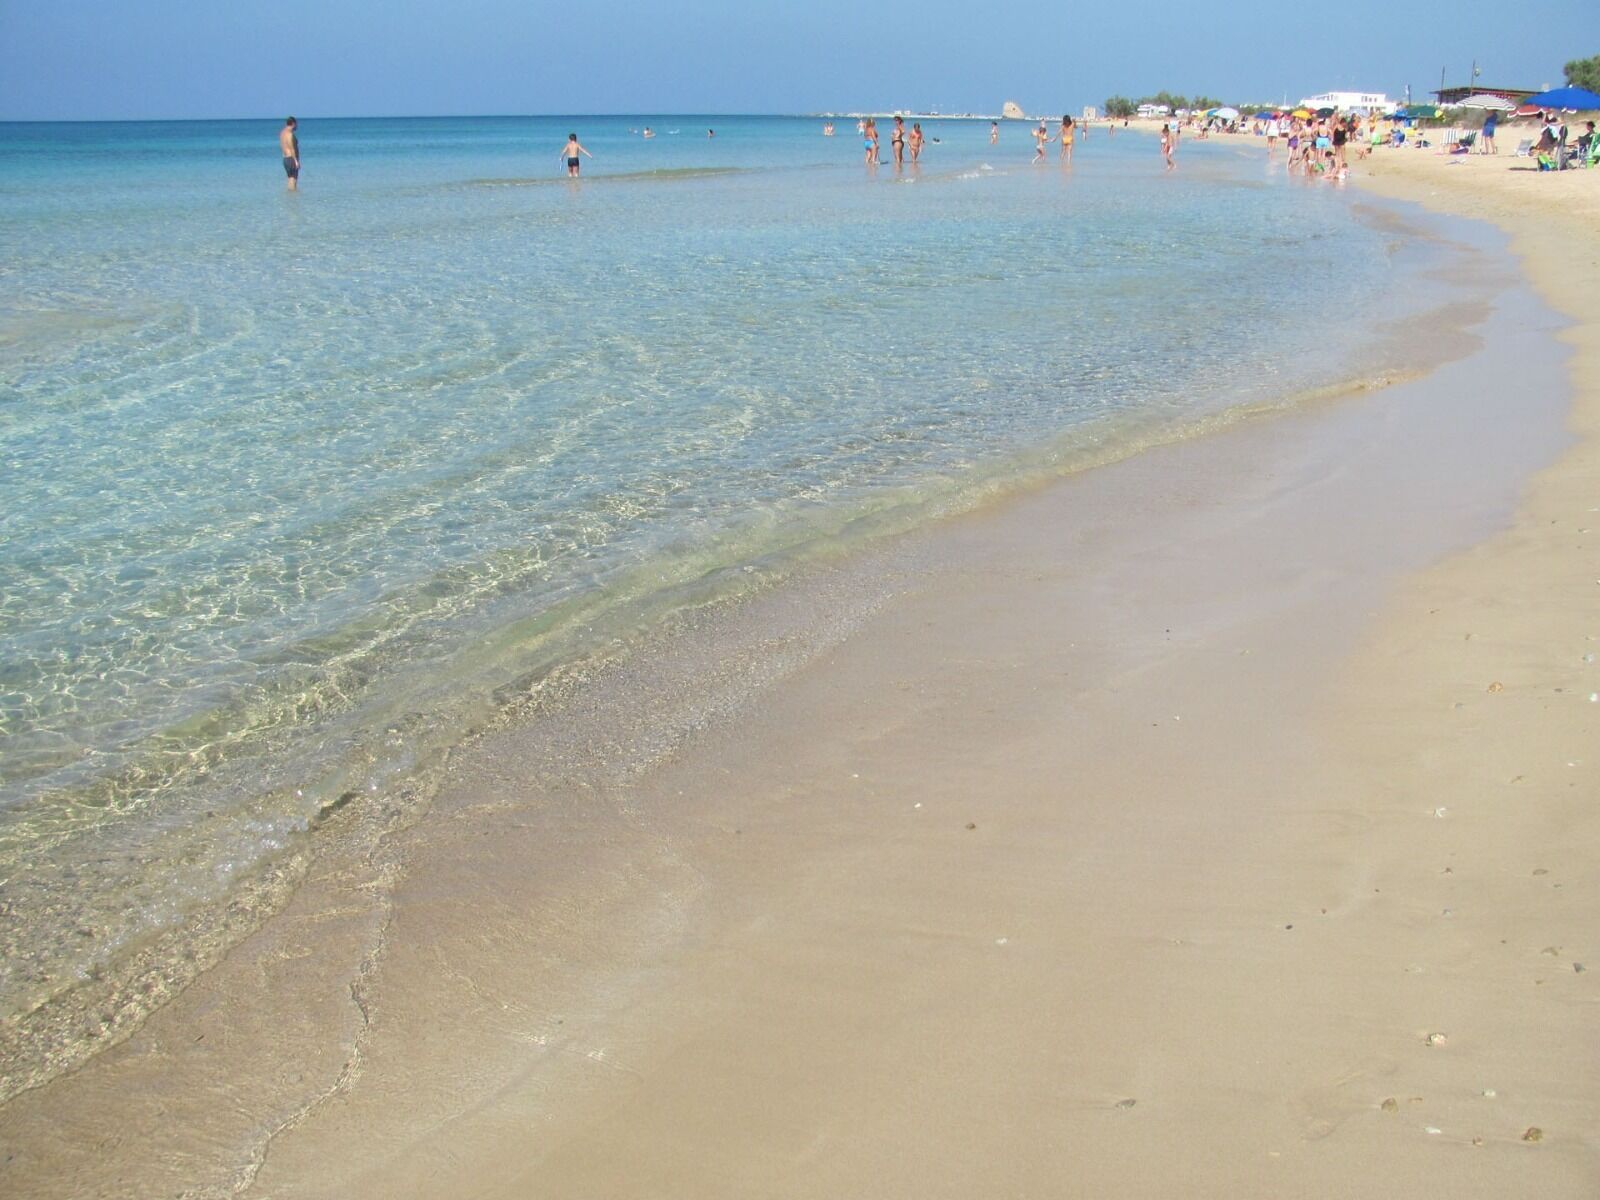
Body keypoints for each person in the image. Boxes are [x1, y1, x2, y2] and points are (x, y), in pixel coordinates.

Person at [279, 117, 300, 191]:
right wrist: (296, 161)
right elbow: (292, 149)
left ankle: (289, 199)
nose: (297, 126)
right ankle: (293, 199)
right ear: (293, 124)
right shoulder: (290, 134)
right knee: (293, 179)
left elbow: (282, 145)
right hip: (291, 158)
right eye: (296, 124)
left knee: (290, 178)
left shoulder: (282, 133)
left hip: (285, 159)